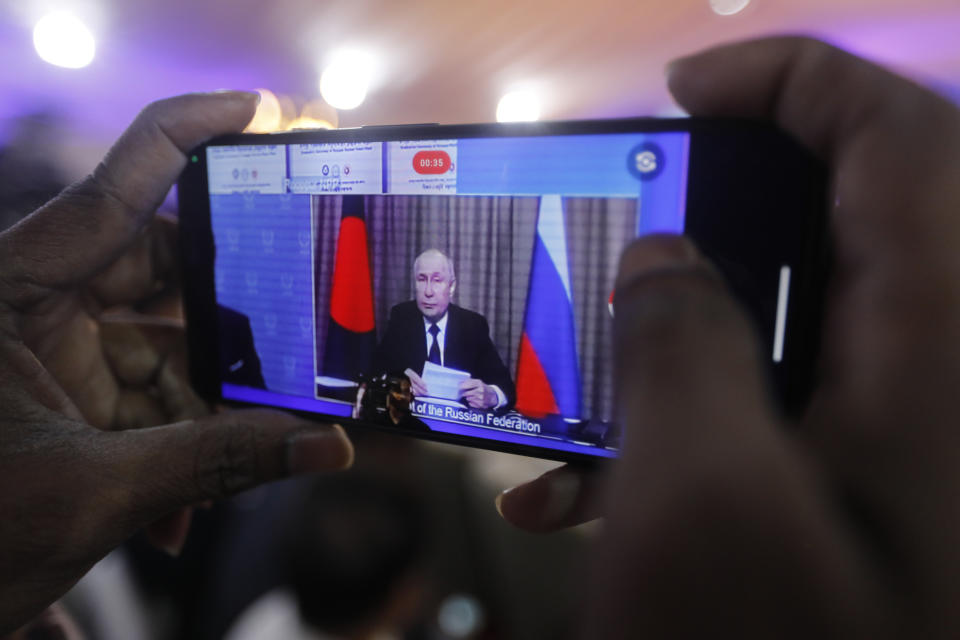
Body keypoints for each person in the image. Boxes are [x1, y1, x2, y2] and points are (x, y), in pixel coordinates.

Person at [1, 35, 959, 638]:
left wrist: (495, 398)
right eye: (419, 276)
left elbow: (515, 400)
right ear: (411, 280)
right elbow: (375, 398)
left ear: (454, 285)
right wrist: (407, 395)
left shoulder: (482, 326)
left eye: (437, 278)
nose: (427, 285)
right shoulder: (383, 325)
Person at [373, 248, 516, 411]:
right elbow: (375, 373)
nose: (428, 292)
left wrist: (492, 396)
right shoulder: (401, 318)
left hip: (458, 429)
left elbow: (507, 388)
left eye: (437, 280)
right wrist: (397, 382)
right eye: (422, 279)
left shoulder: (473, 326)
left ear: (452, 286)